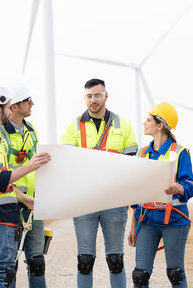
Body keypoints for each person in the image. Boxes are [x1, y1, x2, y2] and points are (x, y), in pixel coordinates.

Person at [0, 83, 51, 288]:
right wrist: (30, 167)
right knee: (3, 272)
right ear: (0, 110)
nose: (32, 103)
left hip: (6, 208)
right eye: (8, 106)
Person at [60, 78, 138, 288]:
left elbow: (132, 163)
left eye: (97, 95)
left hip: (114, 202)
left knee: (116, 260)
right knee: (85, 261)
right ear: (84, 97)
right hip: (85, 202)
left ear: (106, 96)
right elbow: (66, 163)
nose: (93, 100)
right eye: (89, 96)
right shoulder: (73, 127)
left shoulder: (123, 125)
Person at [128, 102, 193, 288]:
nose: (144, 123)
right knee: (139, 275)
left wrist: (178, 188)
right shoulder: (141, 153)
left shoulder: (180, 152)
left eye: (148, 120)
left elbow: (190, 185)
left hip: (174, 220)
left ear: (160, 125)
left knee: (175, 273)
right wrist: (133, 225)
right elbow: (136, 193)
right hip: (147, 220)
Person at [0, 82, 47, 288]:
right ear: (15, 107)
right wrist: (24, 199)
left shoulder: (31, 129)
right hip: (12, 203)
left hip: (34, 205)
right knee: (9, 267)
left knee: (37, 262)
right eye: (28, 101)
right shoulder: (0, 133)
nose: (33, 104)